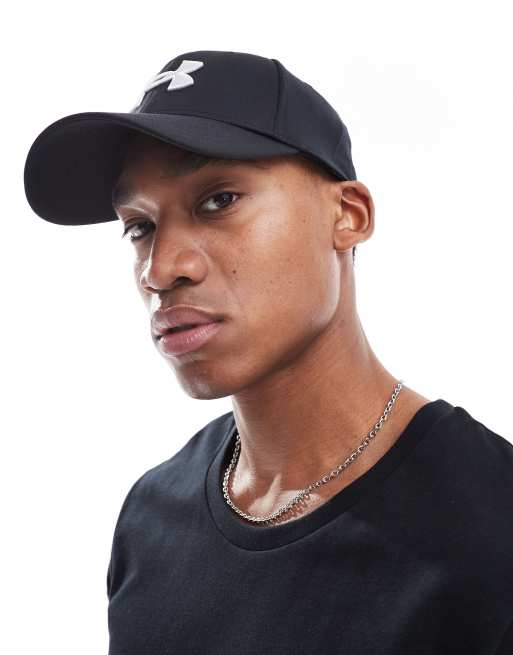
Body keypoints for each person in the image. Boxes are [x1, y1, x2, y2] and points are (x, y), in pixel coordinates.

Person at [23, 49, 513, 654]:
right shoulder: (151, 518)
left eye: (218, 200)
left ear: (348, 215)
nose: (161, 269)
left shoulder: (494, 530)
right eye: (140, 226)